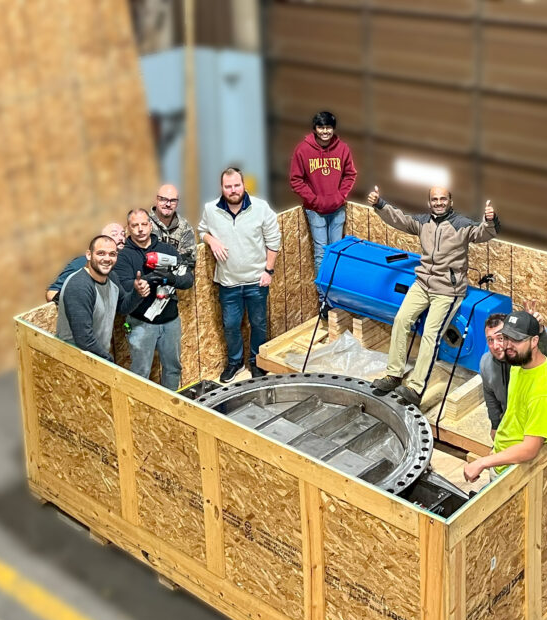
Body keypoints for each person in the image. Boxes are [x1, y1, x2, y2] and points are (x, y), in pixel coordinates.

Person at [368, 185, 501, 406]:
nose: (438, 203)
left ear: (451, 201)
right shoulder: (423, 223)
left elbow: (483, 233)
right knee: (401, 320)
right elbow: (399, 220)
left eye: (443, 199)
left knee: (431, 333)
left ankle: (416, 388)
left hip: (447, 290)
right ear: (429, 203)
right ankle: (393, 375)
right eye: (434, 199)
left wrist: (490, 220)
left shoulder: (462, 225)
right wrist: (380, 205)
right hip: (422, 285)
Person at [198, 167, 281, 383]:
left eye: (236, 185)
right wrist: (211, 240)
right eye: (228, 186)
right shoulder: (210, 210)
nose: (233, 190)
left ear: (244, 185)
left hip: (257, 281)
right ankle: (235, 363)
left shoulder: (261, 208)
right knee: (231, 325)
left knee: (259, 324)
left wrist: (268, 271)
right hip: (228, 283)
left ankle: (256, 361)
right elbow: (202, 230)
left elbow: (274, 241)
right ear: (222, 188)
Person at [464, 310, 547, 483]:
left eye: (517, 340)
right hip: (502, 456)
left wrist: (483, 462)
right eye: (507, 338)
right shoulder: (519, 364)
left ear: (534, 341)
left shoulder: (543, 391)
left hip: (515, 471)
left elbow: (530, 449)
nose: (508, 345)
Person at [114, 208, 194, 390]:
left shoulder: (167, 250)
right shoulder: (123, 257)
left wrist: (168, 278)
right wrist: (146, 282)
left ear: (150, 226)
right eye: (135, 225)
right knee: (141, 372)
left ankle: (170, 404)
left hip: (171, 321)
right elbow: (125, 287)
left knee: (173, 368)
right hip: (141, 324)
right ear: (128, 229)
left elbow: (188, 280)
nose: (140, 229)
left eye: (144, 224)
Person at [481, 301, 547, 441]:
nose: (496, 345)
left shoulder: (525, 358)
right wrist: (495, 425)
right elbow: (490, 397)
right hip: (522, 422)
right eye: (490, 340)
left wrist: (537, 330)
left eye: (501, 338)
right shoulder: (486, 364)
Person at [56, 234, 148, 361]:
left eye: (112, 254)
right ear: (89, 255)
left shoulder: (112, 277)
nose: (107, 258)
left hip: (96, 355)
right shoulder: (79, 285)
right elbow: (83, 339)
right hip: (74, 360)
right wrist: (108, 361)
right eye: (101, 253)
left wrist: (137, 293)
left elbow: (123, 307)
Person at [289, 111, 357, 277]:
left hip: (337, 209)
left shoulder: (343, 149)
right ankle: (323, 297)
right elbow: (295, 180)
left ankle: (334, 293)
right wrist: (314, 200)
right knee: (321, 253)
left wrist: (339, 197)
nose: (325, 131)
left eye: (328, 128)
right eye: (321, 127)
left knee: (336, 252)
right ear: (315, 129)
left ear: (333, 129)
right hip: (315, 211)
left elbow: (350, 174)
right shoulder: (303, 150)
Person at [46, 222, 126, 302]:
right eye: (114, 234)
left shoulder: (123, 264)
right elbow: (52, 293)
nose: (121, 238)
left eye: (123, 234)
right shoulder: (82, 262)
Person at [148, 183, 197, 263]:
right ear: (156, 200)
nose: (168, 204)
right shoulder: (144, 223)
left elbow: (190, 259)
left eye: (173, 200)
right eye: (163, 199)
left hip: (176, 274)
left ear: (177, 203)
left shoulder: (185, 228)